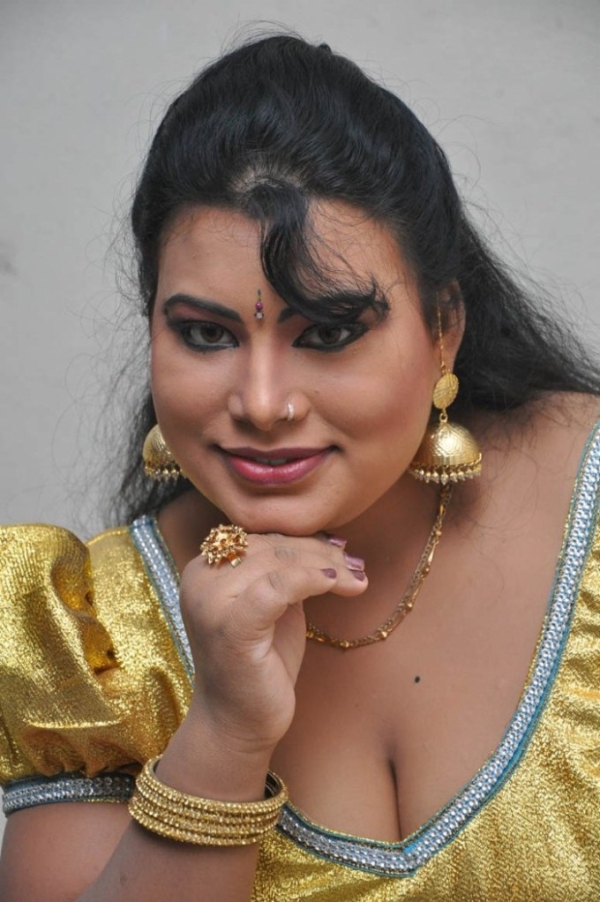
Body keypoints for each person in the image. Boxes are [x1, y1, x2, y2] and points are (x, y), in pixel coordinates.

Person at [1, 33, 599, 902]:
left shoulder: (589, 504)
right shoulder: (91, 644)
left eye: (327, 332)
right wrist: (225, 733)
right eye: (205, 334)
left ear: (444, 330)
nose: (263, 403)